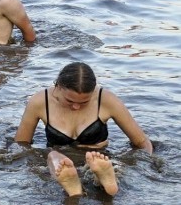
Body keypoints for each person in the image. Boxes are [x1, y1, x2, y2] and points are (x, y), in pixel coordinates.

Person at [14, 62, 152, 197]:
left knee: (103, 164)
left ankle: (100, 179)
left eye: (84, 102)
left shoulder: (107, 100)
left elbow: (141, 141)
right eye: (69, 101)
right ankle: (77, 184)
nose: (76, 107)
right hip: (63, 160)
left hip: (97, 156)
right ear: (58, 86)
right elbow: (21, 143)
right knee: (53, 156)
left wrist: (145, 164)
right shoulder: (39, 101)